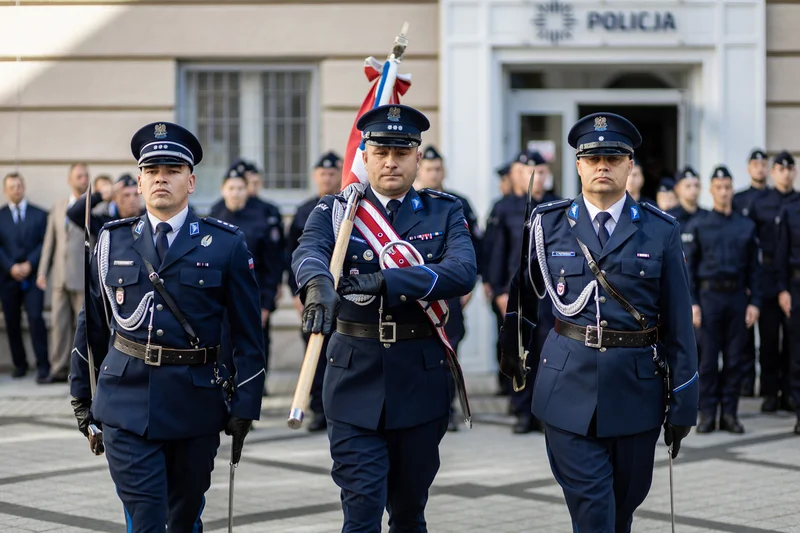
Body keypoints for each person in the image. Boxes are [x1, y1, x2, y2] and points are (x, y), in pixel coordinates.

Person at [499, 112, 698, 532]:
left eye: (613, 157)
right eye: (592, 158)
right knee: (594, 510)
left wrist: (684, 403)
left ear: (630, 165)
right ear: (578, 166)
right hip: (566, 387)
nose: (602, 166)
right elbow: (524, 297)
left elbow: (679, 325)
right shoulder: (547, 224)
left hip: (635, 392)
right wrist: (513, 354)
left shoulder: (660, 231)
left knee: (622, 508)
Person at [69, 122, 265, 531]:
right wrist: (81, 397)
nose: (161, 177)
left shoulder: (226, 244)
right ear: (139, 181)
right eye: (152, 170)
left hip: (194, 404)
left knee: (183, 517)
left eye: (173, 169)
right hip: (125, 401)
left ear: (190, 181)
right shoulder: (111, 242)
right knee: (148, 517)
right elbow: (91, 325)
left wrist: (246, 405)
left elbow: (248, 333)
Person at [291, 104, 476, 532]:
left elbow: (462, 271)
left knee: (409, 513)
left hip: (420, 374)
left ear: (417, 158)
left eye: (401, 151)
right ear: (366, 157)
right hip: (354, 371)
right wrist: (318, 284)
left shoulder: (444, 211)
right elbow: (309, 252)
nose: (390, 161)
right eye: (380, 152)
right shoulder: (336, 210)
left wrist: (387, 281)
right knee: (360, 513)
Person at [684, 165, 760, 434]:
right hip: (708, 299)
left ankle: (729, 414)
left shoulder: (745, 226)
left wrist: (755, 303)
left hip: (737, 298)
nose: (724, 192)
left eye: (728, 187)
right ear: (711, 190)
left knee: (735, 359)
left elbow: (755, 269)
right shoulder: (700, 225)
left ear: (731, 189)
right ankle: (707, 415)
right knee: (707, 361)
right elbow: (689, 270)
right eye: (719, 187)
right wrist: (692, 303)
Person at [487, 149, 559, 433]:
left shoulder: (557, 205)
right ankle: (521, 411)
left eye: (540, 172)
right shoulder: (503, 207)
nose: (536, 178)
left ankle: (543, 412)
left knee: (546, 353)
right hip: (516, 292)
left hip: (549, 295)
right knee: (519, 352)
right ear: (516, 174)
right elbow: (496, 252)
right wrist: (498, 291)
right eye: (529, 172)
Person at [414, 144, 481, 431]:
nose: (433, 173)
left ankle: (450, 407)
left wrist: (470, 287)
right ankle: (423, 407)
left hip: (449, 294)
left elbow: (474, 250)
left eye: (438, 169)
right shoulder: (410, 203)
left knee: (451, 352)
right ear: (420, 170)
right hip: (418, 295)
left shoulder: (457, 204)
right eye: (429, 169)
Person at [286, 150, 343, 432]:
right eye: (323, 173)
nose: (328, 177)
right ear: (315, 176)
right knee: (317, 356)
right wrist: (299, 297)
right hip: (314, 297)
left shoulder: (349, 208)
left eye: (333, 173)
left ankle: (340, 411)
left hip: (346, 297)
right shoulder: (306, 210)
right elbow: (293, 256)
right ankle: (319, 411)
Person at [749, 151, 799, 413]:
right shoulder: (761, 201)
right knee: (769, 339)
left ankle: (791, 392)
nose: (786, 173)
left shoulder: (798, 201)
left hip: (792, 277)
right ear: (773, 172)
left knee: (793, 342)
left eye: (790, 169)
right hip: (767, 274)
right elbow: (750, 242)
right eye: (781, 169)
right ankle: (770, 392)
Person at [235, 159, 286, 395]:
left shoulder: (267, 211)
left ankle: (258, 383)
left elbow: (275, 256)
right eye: (248, 183)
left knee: (260, 339)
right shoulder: (223, 209)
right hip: (234, 291)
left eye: (255, 182)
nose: (251, 188)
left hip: (259, 289)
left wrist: (274, 287)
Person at [36, 163, 89, 383]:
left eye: (86, 176)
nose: (83, 179)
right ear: (70, 179)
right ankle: (57, 369)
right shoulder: (58, 207)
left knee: (83, 329)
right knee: (59, 326)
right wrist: (42, 272)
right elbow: (50, 243)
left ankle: (84, 372)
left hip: (82, 276)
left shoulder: (92, 207)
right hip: (59, 277)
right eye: (79, 176)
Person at [0, 172, 49, 381]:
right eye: (11, 187)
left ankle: (43, 366)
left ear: (24, 187)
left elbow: (44, 243)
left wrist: (30, 263)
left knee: (36, 318)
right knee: (11, 321)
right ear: (5, 190)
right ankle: (20, 364)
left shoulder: (39, 214)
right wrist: (10, 266)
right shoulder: (0, 215)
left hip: (33, 276)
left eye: (19, 186)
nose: (16, 190)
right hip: (7, 277)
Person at [733, 150, 769, 398]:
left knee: (768, 334)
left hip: (768, 271)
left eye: (763, 164)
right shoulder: (738, 199)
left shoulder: (773, 197)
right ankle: (745, 383)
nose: (759, 168)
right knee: (743, 335)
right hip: (746, 272)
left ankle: (769, 387)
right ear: (748, 168)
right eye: (755, 164)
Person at [773, 151, 800, 434]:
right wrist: (782, 289)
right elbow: (780, 254)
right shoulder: (790, 210)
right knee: (796, 353)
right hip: (795, 285)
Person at [485, 162, 513, 397]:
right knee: (504, 337)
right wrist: (492, 285)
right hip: (504, 286)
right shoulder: (500, 207)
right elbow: (493, 249)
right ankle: (505, 383)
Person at [67, 173, 143, 236]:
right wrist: (100, 195)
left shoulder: (147, 219)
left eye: (136, 194)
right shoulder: (107, 225)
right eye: (126, 195)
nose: (132, 199)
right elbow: (74, 213)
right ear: (115, 198)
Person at [667, 166, 708, 231]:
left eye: (696, 185)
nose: (693, 190)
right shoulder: (670, 217)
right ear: (677, 189)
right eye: (688, 186)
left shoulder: (707, 216)